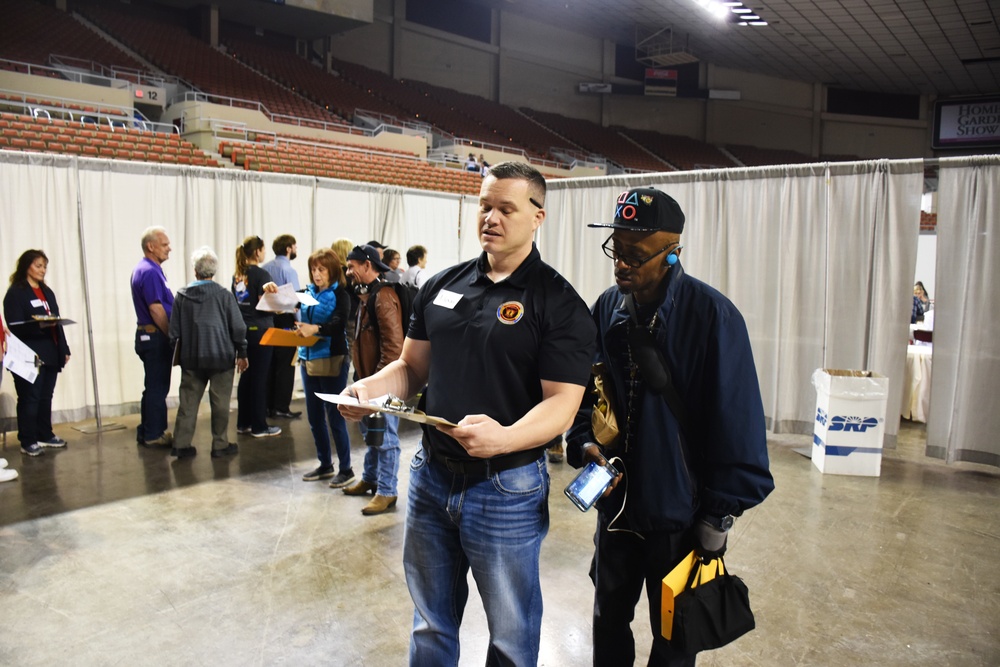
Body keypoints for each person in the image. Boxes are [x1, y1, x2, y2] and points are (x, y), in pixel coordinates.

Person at [338, 162, 596, 665]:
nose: (490, 218)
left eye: (506, 209)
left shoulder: (559, 303)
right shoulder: (442, 285)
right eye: (484, 206)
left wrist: (505, 438)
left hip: (506, 487)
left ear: (538, 217)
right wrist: (367, 389)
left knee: (511, 634)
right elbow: (411, 368)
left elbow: (563, 405)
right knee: (430, 623)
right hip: (431, 476)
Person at [566, 186, 775, 666]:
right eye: (616, 250)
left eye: (636, 254)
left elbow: (738, 424)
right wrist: (584, 443)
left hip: (680, 517)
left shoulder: (714, 317)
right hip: (615, 509)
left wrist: (717, 519)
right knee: (607, 620)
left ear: (673, 251)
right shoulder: (607, 307)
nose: (621, 264)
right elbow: (586, 391)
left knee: (675, 639)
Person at [341, 245, 404, 516]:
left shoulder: (384, 297)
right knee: (372, 435)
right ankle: (370, 478)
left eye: (352, 266)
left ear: (367, 265)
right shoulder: (367, 297)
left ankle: (387, 491)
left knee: (386, 438)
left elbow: (394, 348)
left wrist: (378, 384)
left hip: (382, 385)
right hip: (368, 382)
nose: (348, 272)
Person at [168, 247, 248, 459]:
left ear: (195, 271)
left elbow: (174, 332)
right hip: (221, 357)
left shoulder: (181, 296)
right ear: (214, 270)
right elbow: (238, 327)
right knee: (220, 403)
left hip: (191, 358)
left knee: (188, 403)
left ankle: (181, 444)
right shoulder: (224, 295)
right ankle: (220, 445)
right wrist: (242, 352)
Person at [294, 249, 355, 488]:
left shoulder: (341, 294)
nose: (316, 274)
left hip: (333, 359)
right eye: (313, 269)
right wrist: (273, 292)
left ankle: (346, 469)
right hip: (307, 359)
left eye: (322, 269)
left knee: (335, 416)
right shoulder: (306, 293)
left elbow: (339, 323)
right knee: (314, 417)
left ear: (332, 271)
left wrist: (316, 328)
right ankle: (325, 464)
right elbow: (284, 305)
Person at [4, 250, 72, 457]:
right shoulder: (16, 293)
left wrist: (64, 348)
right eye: (38, 266)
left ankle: (45, 434)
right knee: (30, 397)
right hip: (28, 353)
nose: (43, 270)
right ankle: (28, 440)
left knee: (45, 396)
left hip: (49, 351)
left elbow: (57, 322)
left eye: (44, 266)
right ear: (27, 267)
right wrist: (39, 325)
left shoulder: (47, 292)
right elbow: (14, 326)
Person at [232, 235, 281, 438]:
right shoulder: (262, 274)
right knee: (260, 379)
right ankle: (259, 426)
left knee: (246, 377)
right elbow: (266, 303)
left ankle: (243, 422)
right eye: (263, 249)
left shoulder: (238, 275)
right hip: (261, 332)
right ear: (258, 251)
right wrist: (282, 307)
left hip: (243, 331)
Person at [130, 226, 174, 447]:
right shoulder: (149, 272)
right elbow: (156, 309)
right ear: (151, 246)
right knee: (158, 387)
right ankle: (154, 434)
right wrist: (171, 335)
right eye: (165, 245)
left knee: (153, 386)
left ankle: (147, 430)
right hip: (154, 336)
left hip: (149, 336)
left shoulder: (149, 269)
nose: (169, 249)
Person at [261, 234, 302, 420]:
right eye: (294, 246)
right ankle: (281, 407)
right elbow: (296, 300)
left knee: (271, 365)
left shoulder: (265, 268)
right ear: (288, 248)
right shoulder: (289, 270)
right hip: (286, 319)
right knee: (286, 366)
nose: (295, 249)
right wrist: (300, 323)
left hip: (269, 318)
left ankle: (269, 406)